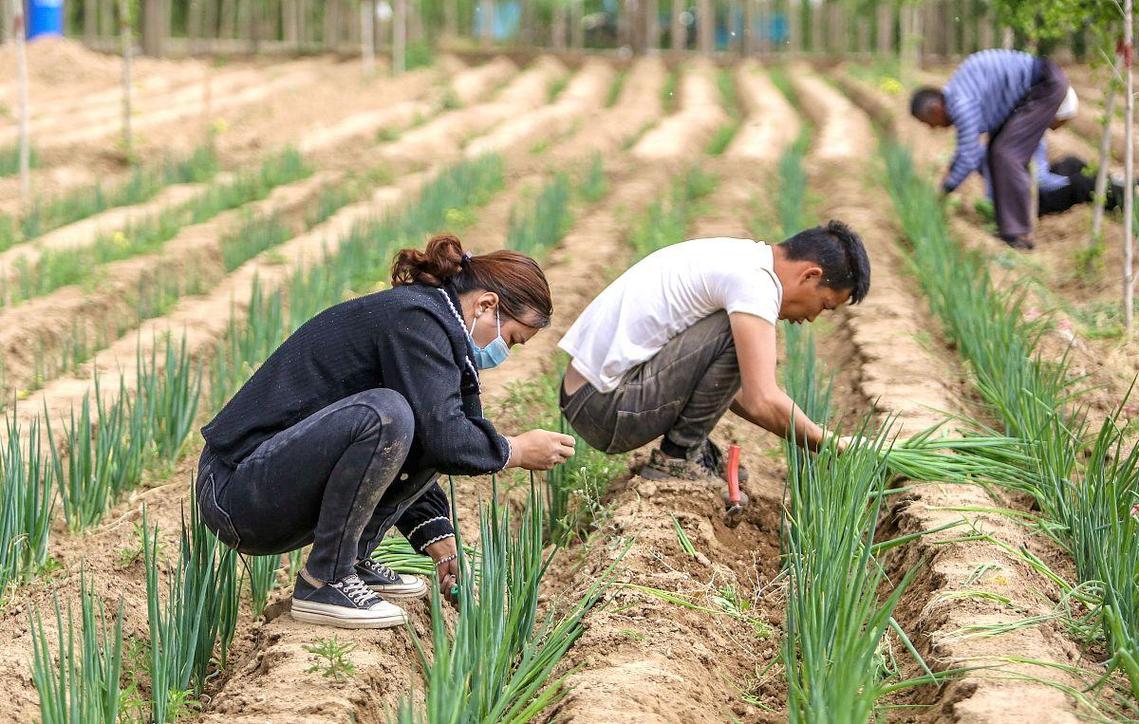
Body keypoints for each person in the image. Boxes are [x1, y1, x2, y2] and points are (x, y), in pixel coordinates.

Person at [196, 235, 575, 629]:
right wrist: (513, 450)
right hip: (234, 489)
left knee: (414, 416)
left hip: (267, 480)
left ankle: (353, 560)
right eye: (511, 339)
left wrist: (434, 532)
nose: (504, 352)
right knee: (387, 414)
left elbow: (431, 436)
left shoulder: (433, 322)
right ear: (486, 304)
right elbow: (443, 436)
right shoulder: (417, 320)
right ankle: (325, 579)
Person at [557, 222, 870, 486]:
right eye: (825, 305)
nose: (814, 318)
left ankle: (688, 449)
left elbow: (730, 390)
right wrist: (832, 444)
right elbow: (762, 399)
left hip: (589, 398)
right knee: (736, 332)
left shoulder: (740, 258)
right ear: (810, 275)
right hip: (607, 408)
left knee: (737, 333)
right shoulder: (755, 283)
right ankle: (677, 458)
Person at [910, 49, 1070, 250]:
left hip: (1044, 84)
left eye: (929, 123)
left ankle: (1020, 234)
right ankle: (1008, 223)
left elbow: (969, 156)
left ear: (935, 109)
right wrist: (951, 170)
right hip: (1033, 87)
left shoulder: (961, 103)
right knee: (996, 151)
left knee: (1006, 154)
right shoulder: (958, 95)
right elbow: (967, 152)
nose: (933, 128)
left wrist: (945, 190)